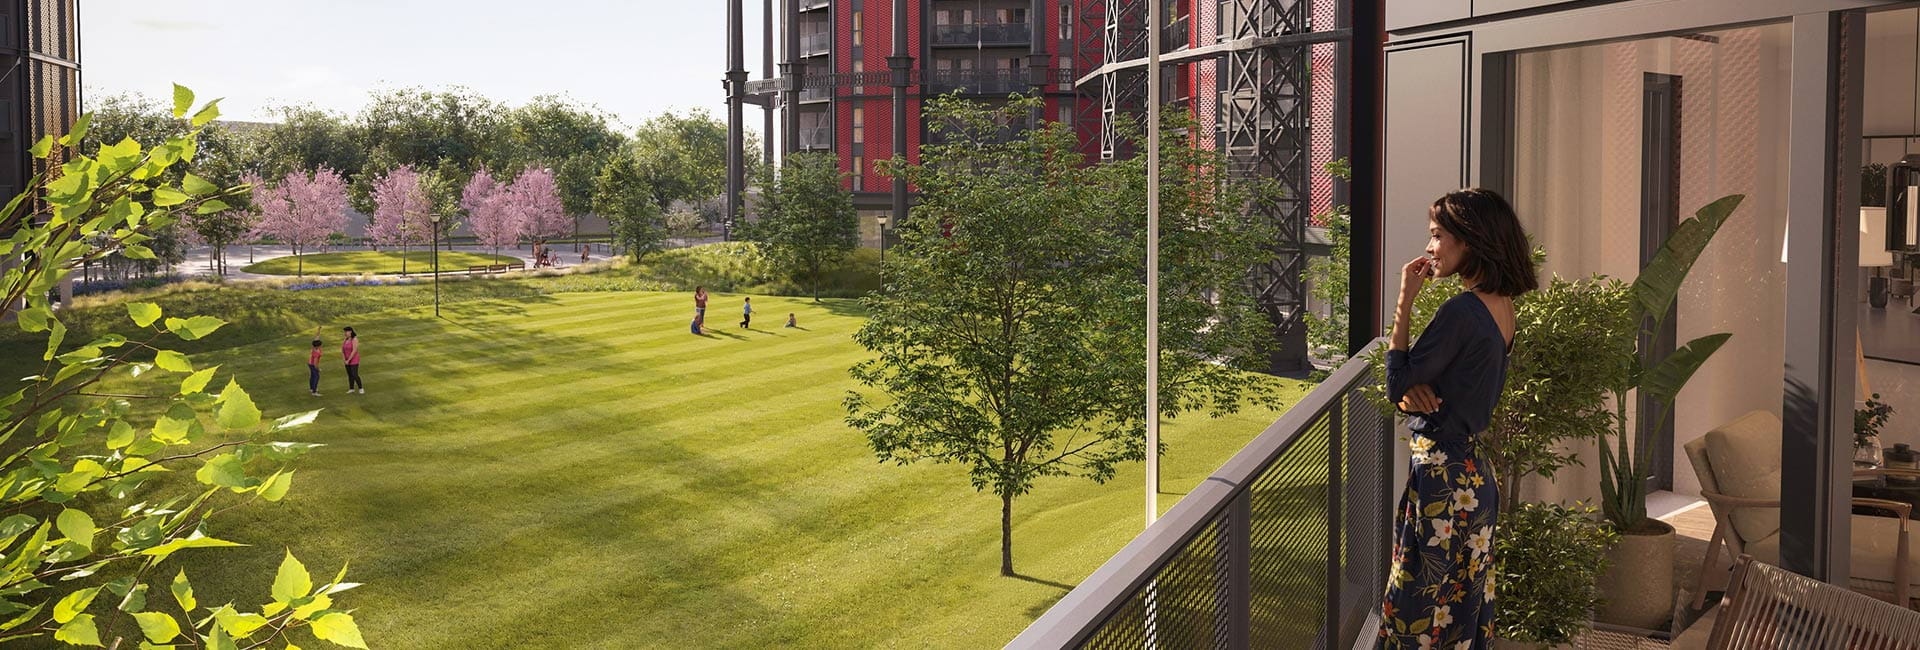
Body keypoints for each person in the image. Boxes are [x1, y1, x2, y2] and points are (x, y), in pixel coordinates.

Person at [1378, 188, 1535, 649]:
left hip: (1442, 481)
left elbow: (1396, 380)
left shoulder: (1462, 311)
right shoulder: (1502, 307)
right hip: (1472, 478)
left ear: (1469, 239)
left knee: (1413, 609)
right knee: (1461, 613)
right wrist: (1412, 394)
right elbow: (1425, 388)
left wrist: (1405, 299)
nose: (1430, 247)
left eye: (1437, 236)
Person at [341, 326, 364, 394]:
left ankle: (361, 388)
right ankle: (351, 388)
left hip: (354, 359)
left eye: (346, 332)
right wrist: (344, 359)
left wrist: (348, 360)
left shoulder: (354, 339)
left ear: (350, 331)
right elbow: (342, 350)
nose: (345, 333)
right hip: (347, 359)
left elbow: (354, 350)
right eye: (344, 332)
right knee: (350, 374)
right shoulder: (345, 339)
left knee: (354, 374)